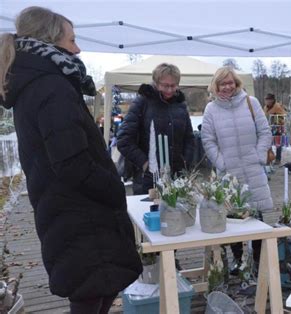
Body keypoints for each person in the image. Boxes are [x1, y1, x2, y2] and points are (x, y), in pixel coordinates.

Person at [0, 6, 142, 313]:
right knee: (92, 294)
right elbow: (71, 163)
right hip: (81, 215)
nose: (77, 48)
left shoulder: (39, 83)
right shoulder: (51, 87)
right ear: (49, 42)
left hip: (69, 212)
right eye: (71, 40)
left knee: (96, 293)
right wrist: (113, 187)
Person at [201, 66, 273, 274]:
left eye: (230, 82)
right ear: (216, 86)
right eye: (222, 83)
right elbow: (208, 140)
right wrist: (221, 162)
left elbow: (264, 132)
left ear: (237, 83)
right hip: (229, 172)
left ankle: (259, 261)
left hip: (253, 169)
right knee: (232, 217)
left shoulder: (252, 103)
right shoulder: (211, 110)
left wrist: (259, 155)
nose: (227, 87)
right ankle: (238, 260)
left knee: (257, 217)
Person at [117, 63, 194, 195]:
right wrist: (145, 163)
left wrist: (185, 162)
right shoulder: (142, 102)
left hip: (177, 177)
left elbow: (189, 139)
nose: (169, 90)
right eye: (165, 86)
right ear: (156, 83)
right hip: (148, 178)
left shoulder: (180, 105)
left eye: (173, 86)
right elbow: (124, 140)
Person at [263, 93, 286, 164]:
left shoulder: (277, 106)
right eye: (266, 100)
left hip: (277, 128)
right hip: (268, 127)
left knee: (278, 144)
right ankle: (269, 158)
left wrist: (276, 120)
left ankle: (278, 159)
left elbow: (283, 116)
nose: (267, 101)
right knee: (268, 143)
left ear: (272, 100)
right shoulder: (265, 107)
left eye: (268, 99)